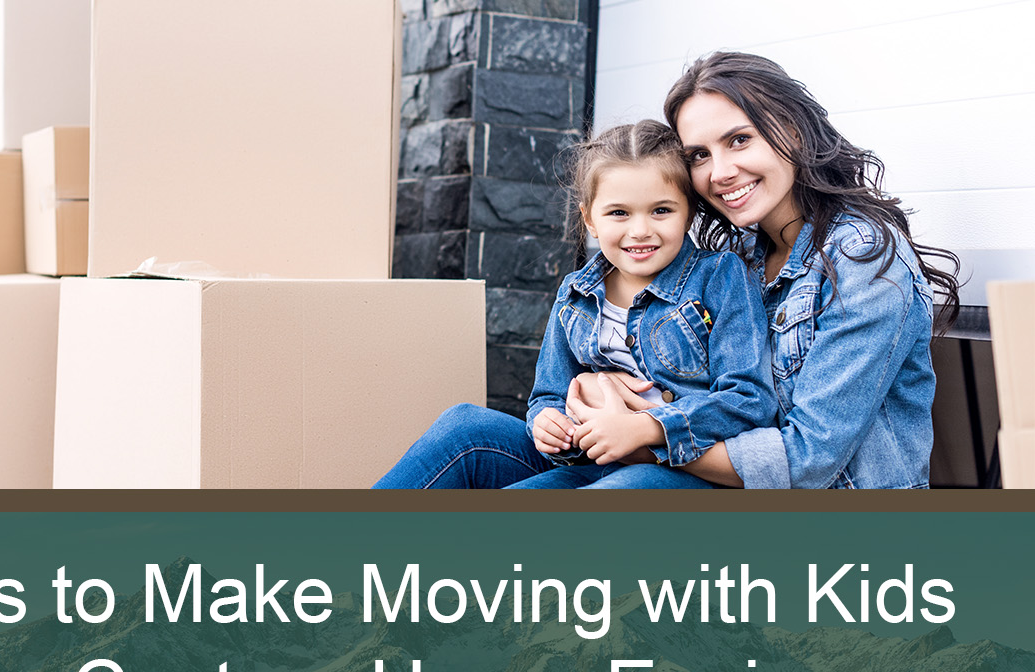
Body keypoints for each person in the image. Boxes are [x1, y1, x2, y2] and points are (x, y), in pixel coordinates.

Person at [565, 51, 959, 489]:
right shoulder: (738, 259)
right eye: (698, 155)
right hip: (710, 480)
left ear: (791, 131)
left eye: (738, 140)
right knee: (474, 433)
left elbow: (809, 459)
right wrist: (601, 387)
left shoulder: (862, 261)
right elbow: (699, 389)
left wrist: (648, 440)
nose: (721, 172)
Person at [374, 120, 776, 489]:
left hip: (679, 472)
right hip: (589, 462)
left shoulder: (718, 276)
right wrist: (547, 423)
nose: (640, 230)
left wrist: (648, 427)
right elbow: (548, 394)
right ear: (589, 219)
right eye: (618, 212)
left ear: (687, 213)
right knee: (464, 426)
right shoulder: (577, 293)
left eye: (661, 211)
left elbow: (749, 399)